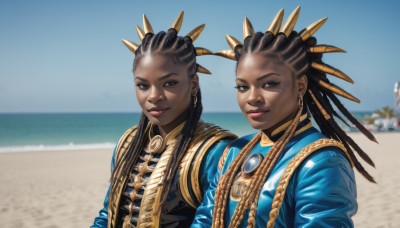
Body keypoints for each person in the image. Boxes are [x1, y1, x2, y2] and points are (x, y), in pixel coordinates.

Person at [192, 7, 377, 228]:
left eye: (269, 84)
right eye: (242, 86)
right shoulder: (234, 152)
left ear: (300, 86)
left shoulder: (321, 161)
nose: (253, 98)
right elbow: (205, 218)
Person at [91, 11, 237, 228]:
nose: (153, 96)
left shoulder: (216, 152)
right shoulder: (128, 143)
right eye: (143, 85)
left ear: (194, 83)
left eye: (169, 84)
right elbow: (107, 214)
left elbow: (210, 222)